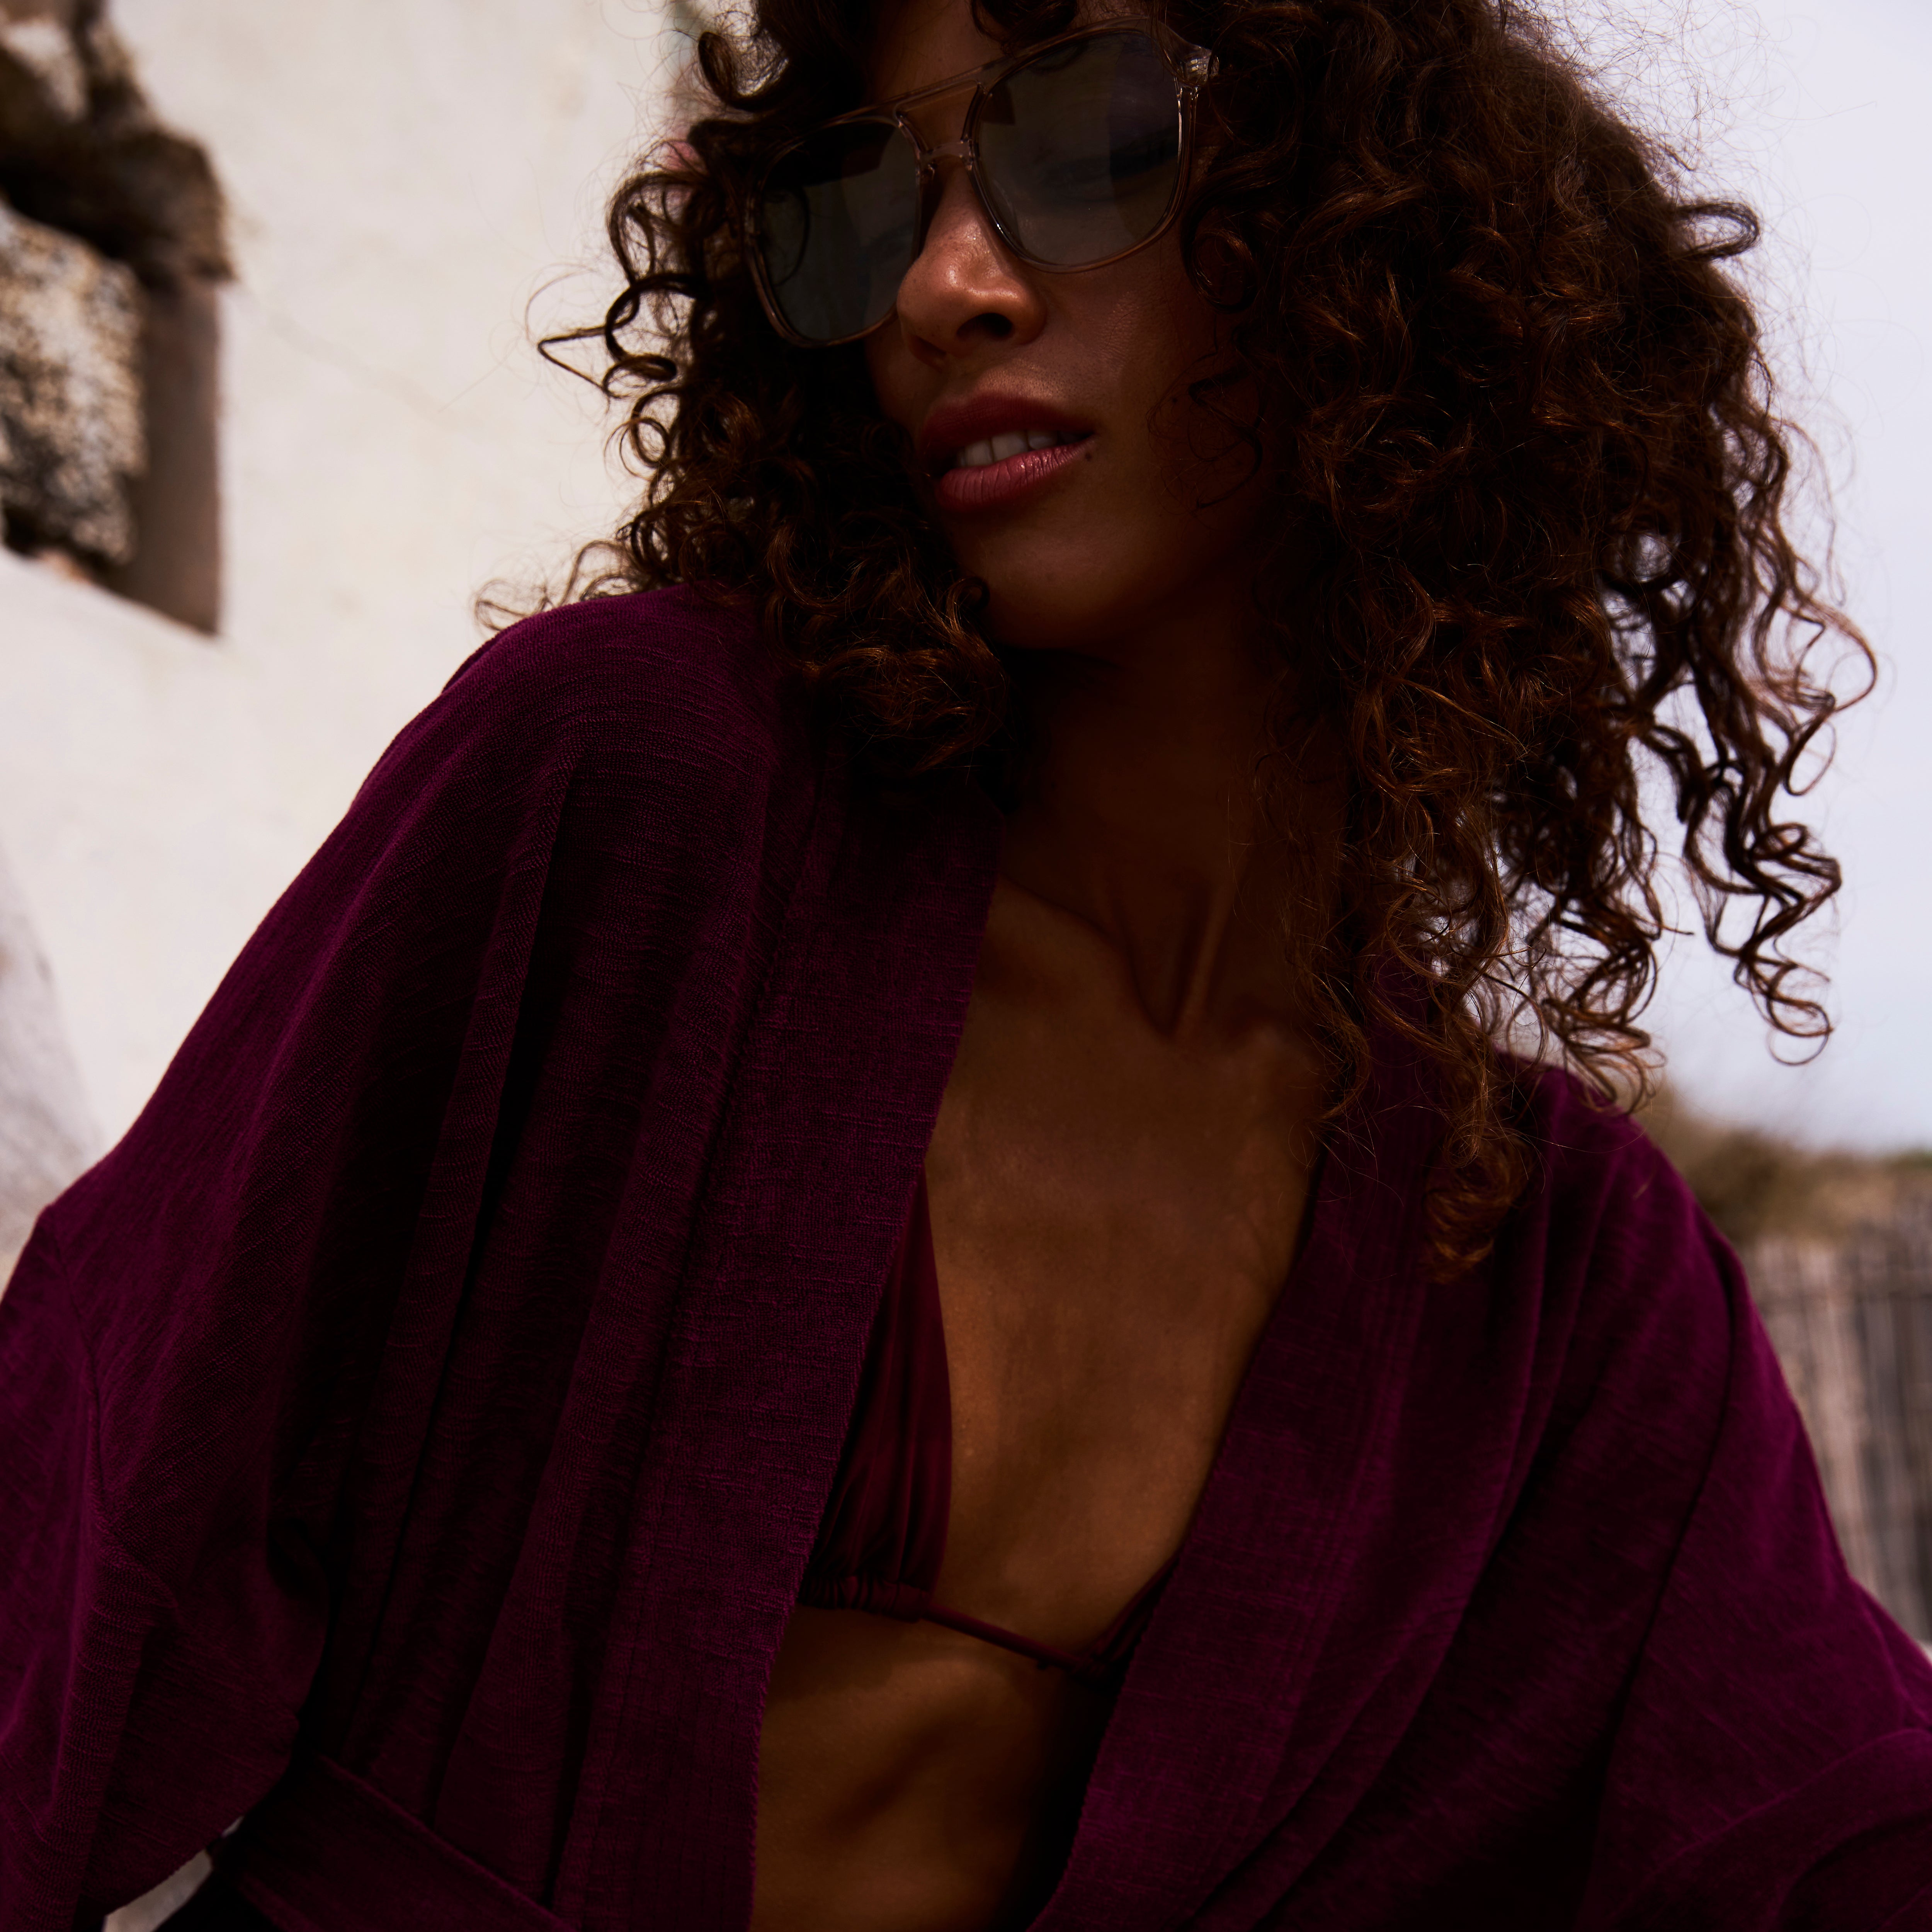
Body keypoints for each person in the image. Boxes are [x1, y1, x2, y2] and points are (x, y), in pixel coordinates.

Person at [5, 0, 1930, 1925]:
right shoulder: (642, 803)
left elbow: (1821, 1827)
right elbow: (96, 1504)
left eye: (1086, 147)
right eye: (862, 210)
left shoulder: (1540, 1266)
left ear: (1381, 230)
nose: (942, 286)